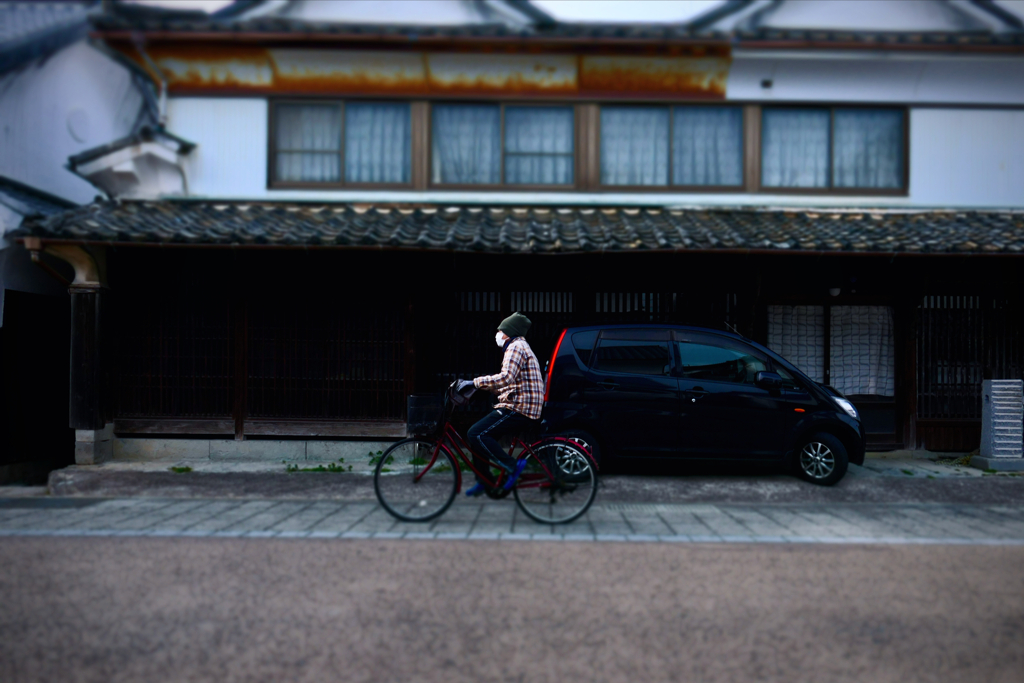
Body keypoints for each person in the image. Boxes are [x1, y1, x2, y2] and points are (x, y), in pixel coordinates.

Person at [464, 312, 544, 497]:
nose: (498, 333)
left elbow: (506, 377)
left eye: (500, 330)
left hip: (520, 407)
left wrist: (475, 382)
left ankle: (512, 466)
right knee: (479, 438)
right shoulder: (519, 346)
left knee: (476, 433)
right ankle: (484, 481)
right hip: (522, 403)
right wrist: (490, 390)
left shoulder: (516, 346)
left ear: (509, 332)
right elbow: (513, 382)